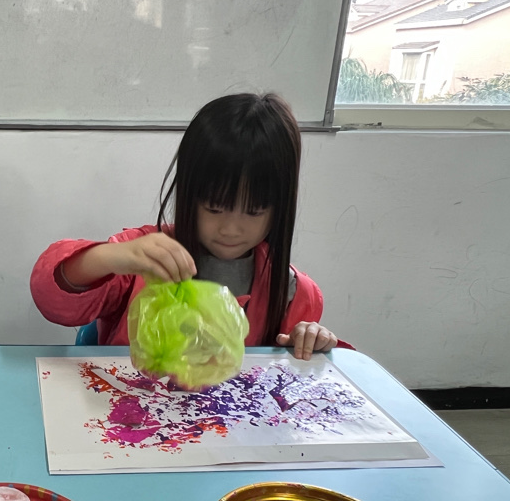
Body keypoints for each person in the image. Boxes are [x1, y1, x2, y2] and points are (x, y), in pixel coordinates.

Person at [30, 93, 339, 360]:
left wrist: (312, 340)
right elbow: (51, 299)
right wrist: (109, 257)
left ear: (279, 209)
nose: (231, 229)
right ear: (189, 195)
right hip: (135, 405)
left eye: (254, 212)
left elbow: (307, 374)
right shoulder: (142, 259)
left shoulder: (293, 293)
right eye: (214, 208)